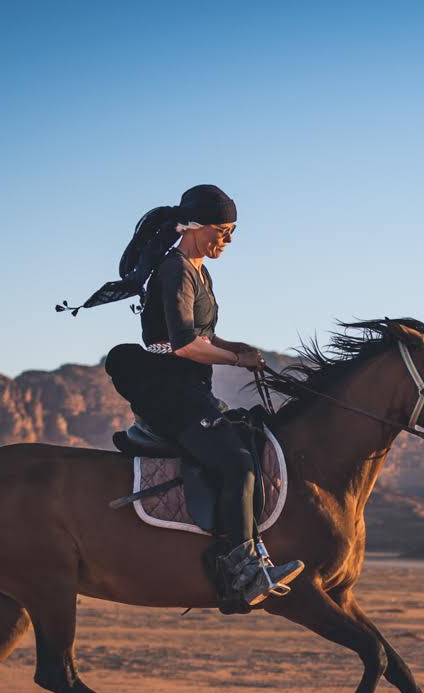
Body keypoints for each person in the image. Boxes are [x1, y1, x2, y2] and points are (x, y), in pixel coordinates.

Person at [65, 184, 302, 611]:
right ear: (195, 227)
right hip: (169, 388)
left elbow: (203, 335)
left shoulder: (199, 271)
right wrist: (234, 359)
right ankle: (245, 569)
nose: (228, 240)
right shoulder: (175, 269)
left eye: (233, 231)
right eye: (223, 231)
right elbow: (183, 345)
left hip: (193, 386)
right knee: (237, 464)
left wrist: (240, 348)